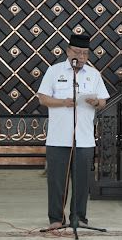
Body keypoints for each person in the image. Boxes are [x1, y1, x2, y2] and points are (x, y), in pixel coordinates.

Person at [37, 33, 110, 230]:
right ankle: (56, 219)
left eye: (85, 53)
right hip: (58, 138)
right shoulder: (54, 71)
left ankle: (79, 218)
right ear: (68, 51)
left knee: (81, 182)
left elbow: (103, 101)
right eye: (77, 52)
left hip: (84, 139)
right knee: (57, 182)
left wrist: (96, 102)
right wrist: (63, 102)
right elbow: (43, 99)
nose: (82, 56)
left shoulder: (93, 75)